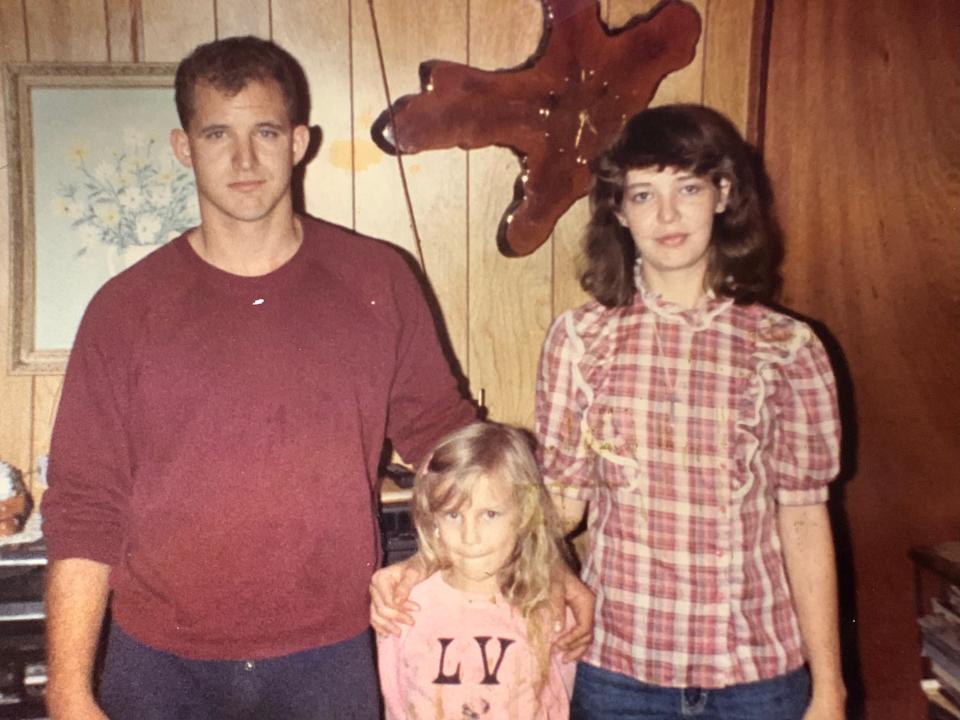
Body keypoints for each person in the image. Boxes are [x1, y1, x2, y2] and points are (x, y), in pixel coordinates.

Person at [40, 36, 478, 720]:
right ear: (184, 146)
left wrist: (539, 568)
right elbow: (84, 507)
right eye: (218, 133)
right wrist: (67, 689)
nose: (244, 160)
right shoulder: (124, 310)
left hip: (330, 657)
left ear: (299, 141)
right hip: (158, 664)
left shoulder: (377, 281)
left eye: (265, 132)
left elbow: (453, 450)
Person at [536, 104, 846, 720]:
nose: (668, 215)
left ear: (724, 194)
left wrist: (830, 687)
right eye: (644, 195)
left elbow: (806, 521)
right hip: (617, 672)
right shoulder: (579, 341)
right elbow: (560, 506)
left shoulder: (788, 349)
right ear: (619, 213)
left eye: (689, 188)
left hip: (758, 677)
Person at [377, 421, 576, 719]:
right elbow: (395, 703)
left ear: (523, 513)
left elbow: (558, 704)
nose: (470, 537)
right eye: (454, 515)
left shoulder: (552, 610)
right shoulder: (405, 608)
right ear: (433, 520)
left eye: (490, 514)